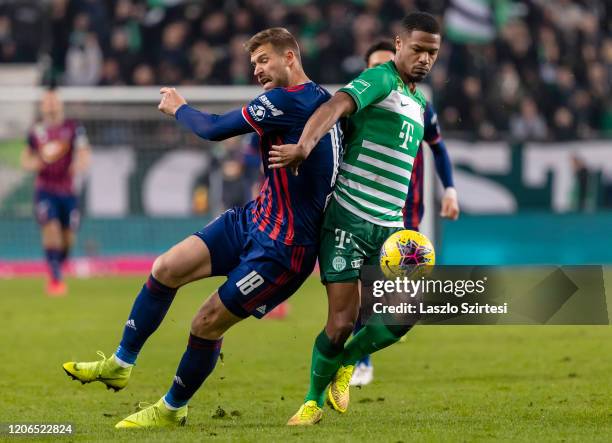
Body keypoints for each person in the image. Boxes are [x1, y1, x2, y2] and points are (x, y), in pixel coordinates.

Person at [62, 27, 342, 429]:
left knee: (205, 322)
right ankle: (120, 363)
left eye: (264, 60)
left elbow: (212, 128)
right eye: (254, 64)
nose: (258, 70)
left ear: (290, 57)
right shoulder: (321, 100)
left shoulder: (285, 101)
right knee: (166, 268)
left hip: (283, 249)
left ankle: (173, 408)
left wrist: (178, 106)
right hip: (253, 219)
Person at [269, 12, 442, 425]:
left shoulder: (418, 102)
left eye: (432, 52)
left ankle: (345, 366)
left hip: (390, 228)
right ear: (398, 44)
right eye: (417, 49)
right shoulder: (380, 79)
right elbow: (336, 105)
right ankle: (312, 400)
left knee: (406, 313)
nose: (424, 58)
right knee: (341, 323)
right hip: (348, 220)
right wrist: (304, 146)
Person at [350, 40, 459, 387]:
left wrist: (451, 191)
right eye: (376, 68)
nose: (385, 74)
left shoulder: (417, 105)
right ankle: (361, 361)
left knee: (380, 289)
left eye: (388, 65)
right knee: (363, 287)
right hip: (360, 207)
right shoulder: (359, 104)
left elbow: (438, 149)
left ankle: (375, 337)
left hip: (404, 212)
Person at [21, 89, 91, 296]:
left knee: (68, 239)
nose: (51, 105)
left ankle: (56, 268)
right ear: (42, 106)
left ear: (60, 104)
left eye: (54, 101)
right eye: (47, 101)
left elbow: (84, 152)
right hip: (45, 190)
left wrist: (80, 163)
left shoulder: (73, 128)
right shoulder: (35, 131)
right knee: (51, 230)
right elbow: (26, 159)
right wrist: (36, 163)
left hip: (68, 191)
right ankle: (55, 280)